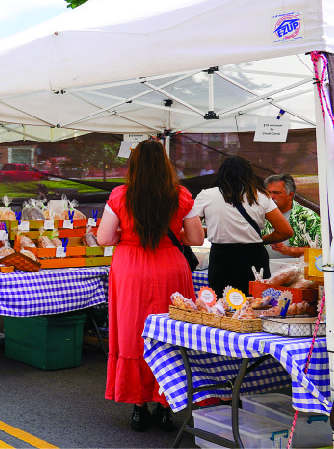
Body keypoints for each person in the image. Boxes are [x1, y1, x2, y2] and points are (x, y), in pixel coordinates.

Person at [97, 139, 204, 433]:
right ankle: (166, 405)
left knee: (134, 333)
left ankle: (139, 408)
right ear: (165, 164)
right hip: (170, 267)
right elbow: (195, 238)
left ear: (134, 165)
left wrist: (125, 233)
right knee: (171, 333)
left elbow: (104, 238)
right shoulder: (181, 195)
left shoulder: (120, 195)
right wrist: (171, 232)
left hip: (131, 269)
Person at [193, 156, 293, 297]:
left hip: (222, 259)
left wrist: (218, 230)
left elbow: (192, 229)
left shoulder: (206, 196)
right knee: (257, 303)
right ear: (248, 174)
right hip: (254, 257)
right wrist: (260, 240)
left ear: (221, 173)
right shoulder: (260, 196)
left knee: (223, 305)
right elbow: (285, 231)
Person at [262, 173, 322, 258]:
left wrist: (288, 250)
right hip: (263, 269)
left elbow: (320, 249)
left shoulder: (308, 217)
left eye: (276, 193)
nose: (271, 196)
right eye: (268, 193)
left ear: (290, 195)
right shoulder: (261, 215)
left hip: (296, 269)